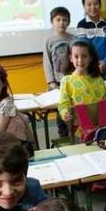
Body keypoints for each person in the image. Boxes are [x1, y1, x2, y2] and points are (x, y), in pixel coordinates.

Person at [58, 39, 106, 138]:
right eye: (76, 56)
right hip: (80, 128)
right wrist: (65, 113)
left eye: (84, 56)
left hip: (101, 126)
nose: (80, 60)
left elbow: (105, 97)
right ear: (70, 58)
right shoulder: (67, 81)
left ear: (90, 58)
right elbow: (63, 104)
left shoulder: (98, 79)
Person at [44, 7, 74, 136]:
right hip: (57, 83)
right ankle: (63, 135)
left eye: (65, 20)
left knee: (73, 109)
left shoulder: (74, 39)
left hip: (73, 82)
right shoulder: (49, 41)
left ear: (69, 22)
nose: (62, 22)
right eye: (58, 20)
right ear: (52, 22)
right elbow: (47, 62)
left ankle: (76, 133)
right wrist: (51, 82)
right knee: (61, 110)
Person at [75, 0, 106, 79]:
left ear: (100, 5)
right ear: (84, 7)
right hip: (88, 68)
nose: (93, 7)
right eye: (89, 5)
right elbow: (82, 48)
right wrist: (92, 63)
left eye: (96, 4)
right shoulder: (81, 25)